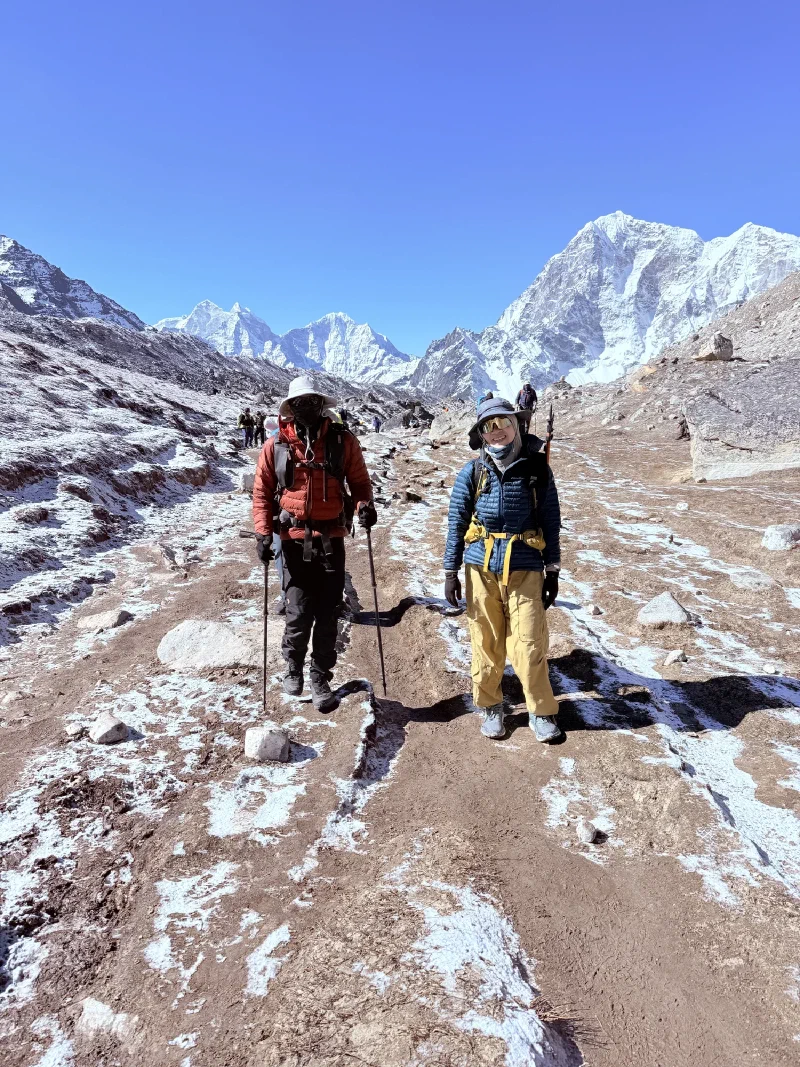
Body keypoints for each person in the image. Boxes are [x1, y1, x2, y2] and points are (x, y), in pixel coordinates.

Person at [252, 376, 376, 711]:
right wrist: (264, 533)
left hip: (331, 538)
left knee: (328, 612)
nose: (307, 407)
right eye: (300, 403)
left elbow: (360, 482)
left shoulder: (342, 441)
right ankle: (293, 666)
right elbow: (262, 493)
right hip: (292, 539)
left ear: (322, 406)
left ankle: (320, 675)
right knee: (298, 609)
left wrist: (365, 507)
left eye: (312, 402)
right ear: (290, 409)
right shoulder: (276, 447)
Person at [443, 396, 562, 743]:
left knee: (528, 643)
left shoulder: (538, 469)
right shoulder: (473, 472)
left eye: (504, 423)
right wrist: (450, 572)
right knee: (486, 642)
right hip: (480, 567)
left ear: (517, 426)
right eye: (489, 426)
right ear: (481, 433)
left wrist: (552, 569)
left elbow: (550, 521)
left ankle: (541, 711)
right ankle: (492, 706)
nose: (498, 432)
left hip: (526, 565)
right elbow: (456, 523)